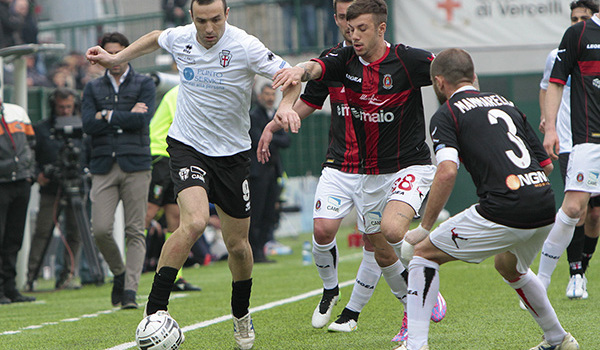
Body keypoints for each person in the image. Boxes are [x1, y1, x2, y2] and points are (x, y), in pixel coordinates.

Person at [85, 1, 296, 348]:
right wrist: (116, 59)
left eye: (216, 19)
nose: (209, 28)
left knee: (238, 247)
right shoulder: (183, 37)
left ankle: (241, 314)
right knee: (194, 222)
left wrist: (285, 106)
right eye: (201, 21)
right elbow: (155, 37)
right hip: (187, 146)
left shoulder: (246, 46)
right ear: (191, 18)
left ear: (227, 14)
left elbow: (291, 78)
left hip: (232, 155)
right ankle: (154, 312)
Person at [265, 0, 445, 342]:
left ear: (381, 28)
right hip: (367, 173)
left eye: (361, 28)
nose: (354, 34)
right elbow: (314, 69)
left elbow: (449, 72)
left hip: (409, 165)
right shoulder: (343, 58)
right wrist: (295, 76)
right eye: (349, 27)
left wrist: (460, 116)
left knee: (392, 232)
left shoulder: (407, 60)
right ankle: (412, 306)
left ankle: (424, 268)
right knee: (380, 246)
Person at [395, 48, 580, 350]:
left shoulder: (447, 113)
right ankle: (558, 339)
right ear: (474, 77)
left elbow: (446, 172)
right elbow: (545, 164)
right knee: (510, 267)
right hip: (544, 202)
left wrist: (424, 227)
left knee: (423, 253)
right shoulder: (507, 104)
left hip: (505, 206)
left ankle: (415, 345)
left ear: (439, 83)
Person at [82, 32, 155, 310]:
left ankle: (130, 292)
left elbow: (143, 120)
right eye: (108, 52)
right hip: (103, 165)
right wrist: (125, 116)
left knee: (135, 230)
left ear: (128, 52)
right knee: (99, 229)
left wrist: (108, 115)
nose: (113, 58)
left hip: (136, 164)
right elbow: (88, 124)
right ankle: (119, 272)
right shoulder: (92, 88)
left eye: (118, 52)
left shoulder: (144, 83)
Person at [537, 0, 600, 300]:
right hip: (587, 140)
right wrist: (550, 127)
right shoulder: (578, 35)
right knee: (575, 209)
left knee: (595, 215)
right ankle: (543, 281)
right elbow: (554, 83)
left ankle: (580, 272)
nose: (576, 20)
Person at [26, 88, 84, 291]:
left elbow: (88, 153)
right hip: (50, 189)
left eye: (69, 107)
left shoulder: (82, 128)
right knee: (42, 231)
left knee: (75, 232)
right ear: (53, 106)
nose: (65, 111)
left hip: (77, 185)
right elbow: (30, 156)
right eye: (61, 107)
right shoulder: (41, 129)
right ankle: (31, 277)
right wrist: (38, 174)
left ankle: (68, 276)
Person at [145, 84, 201, 291]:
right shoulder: (181, 92)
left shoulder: (193, 91)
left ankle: (175, 275)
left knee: (175, 217)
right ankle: (130, 270)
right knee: (149, 212)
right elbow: (185, 126)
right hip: (160, 153)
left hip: (175, 157)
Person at [249, 84, 290, 263]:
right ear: (260, 96)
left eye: (273, 94)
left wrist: (269, 138)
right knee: (256, 214)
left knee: (269, 213)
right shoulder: (254, 116)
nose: (270, 98)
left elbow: (286, 140)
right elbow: (257, 139)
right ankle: (254, 252)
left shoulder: (276, 116)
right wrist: (272, 139)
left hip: (273, 172)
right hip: (257, 173)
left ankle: (262, 250)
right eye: (267, 94)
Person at [0, 100, 36, 304]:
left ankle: (11, 288)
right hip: (2, 183)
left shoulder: (17, 112)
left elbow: (33, 144)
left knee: (14, 238)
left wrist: (29, 172)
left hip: (21, 181)